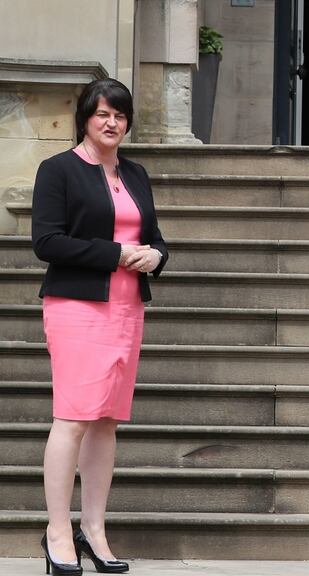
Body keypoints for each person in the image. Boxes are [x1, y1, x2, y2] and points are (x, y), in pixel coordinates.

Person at [32, 77, 168, 576]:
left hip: (127, 308)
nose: (112, 122)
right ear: (85, 118)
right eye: (102, 113)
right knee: (72, 418)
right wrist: (116, 254)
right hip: (77, 308)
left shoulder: (135, 173)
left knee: (107, 421)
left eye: (120, 115)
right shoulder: (59, 170)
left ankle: (94, 529)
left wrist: (157, 255)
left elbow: (152, 236)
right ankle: (56, 533)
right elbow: (46, 242)